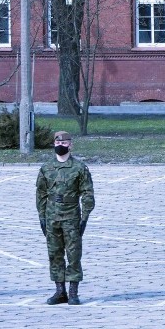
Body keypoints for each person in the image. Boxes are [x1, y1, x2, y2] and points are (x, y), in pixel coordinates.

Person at [36, 131, 95, 306]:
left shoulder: (79, 168)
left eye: (64, 143)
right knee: (54, 254)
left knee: (74, 254)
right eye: (57, 142)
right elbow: (40, 194)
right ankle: (59, 291)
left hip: (71, 217)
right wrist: (41, 216)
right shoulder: (46, 168)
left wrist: (84, 218)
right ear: (53, 144)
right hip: (51, 216)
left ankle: (73, 292)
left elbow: (87, 193)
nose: (60, 145)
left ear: (70, 145)